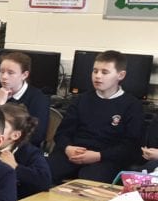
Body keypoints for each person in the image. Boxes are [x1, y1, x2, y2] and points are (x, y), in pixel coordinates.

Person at [48, 50, 143, 184]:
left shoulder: (132, 105)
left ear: (120, 75)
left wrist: (99, 156)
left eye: (104, 72)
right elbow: (62, 133)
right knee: (44, 170)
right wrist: (67, 148)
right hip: (74, 152)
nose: (98, 76)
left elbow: (130, 145)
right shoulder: (81, 100)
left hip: (105, 158)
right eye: (95, 71)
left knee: (90, 179)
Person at [0, 51, 50, 148]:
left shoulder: (38, 99)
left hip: (21, 148)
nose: (4, 77)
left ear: (24, 75)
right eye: (2, 72)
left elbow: (37, 136)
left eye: (10, 73)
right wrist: (0, 103)